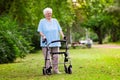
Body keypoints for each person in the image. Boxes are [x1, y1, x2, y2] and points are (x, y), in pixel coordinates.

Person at [37, 7, 64, 74]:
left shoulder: (55, 20)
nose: (49, 14)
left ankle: (56, 70)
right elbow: (40, 31)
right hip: (46, 42)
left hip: (55, 41)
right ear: (45, 14)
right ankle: (48, 69)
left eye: (50, 13)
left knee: (56, 56)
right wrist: (43, 36)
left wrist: (63, 36)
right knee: (47, 57)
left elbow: (59, 29)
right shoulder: (42, 21)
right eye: (48, 13)